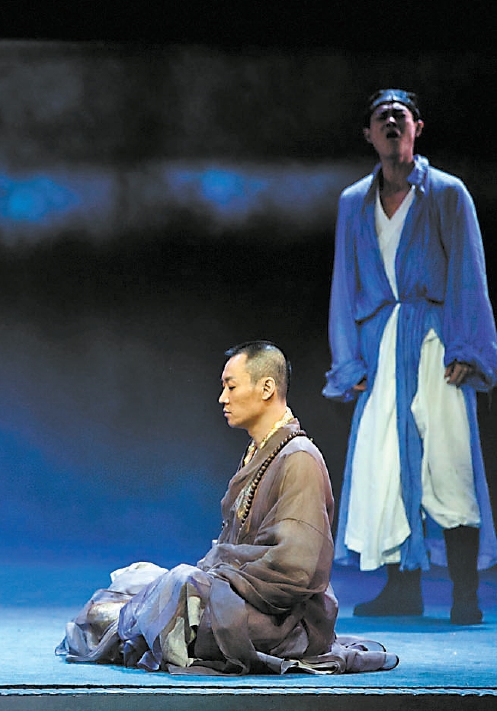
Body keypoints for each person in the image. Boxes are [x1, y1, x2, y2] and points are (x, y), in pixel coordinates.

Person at [57, 342, 397, 675]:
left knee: (174, 588)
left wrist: (215, 579)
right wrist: (213, 577)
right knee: (133, 581)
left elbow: (294, 573)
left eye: (231, 386)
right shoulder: (259, 453)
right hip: (241, 596)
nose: (223, 398)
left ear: (267, 388)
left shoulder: (300, 458)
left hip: (281, 620)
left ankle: (149, 620)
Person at [324, 89, 497, 625]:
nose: (392, 123)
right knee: (384, 466)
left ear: (417, 128)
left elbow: (468, 273)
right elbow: (344, 284)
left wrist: (469, 348)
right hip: (381, 346)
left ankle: (464, 594)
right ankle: (402, 589)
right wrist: (348, 362)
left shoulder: (447, 193)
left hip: (435, 343)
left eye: (401, 116)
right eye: (382, 117)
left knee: (449, 462)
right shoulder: (354, 201)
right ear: (369, 134)